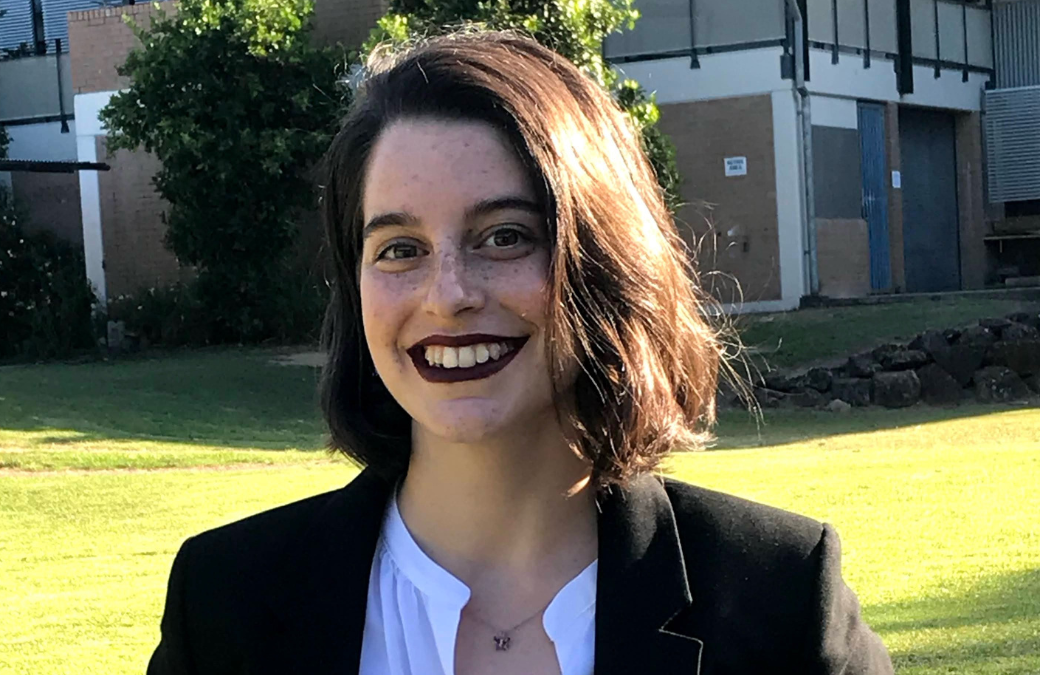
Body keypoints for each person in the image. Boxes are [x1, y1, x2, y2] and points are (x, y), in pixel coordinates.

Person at [147, 31, 894, 675]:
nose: (448, 294)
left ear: (604, 262)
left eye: (505, 235)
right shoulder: (227, 603)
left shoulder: (780, 594)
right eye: (400, 248)